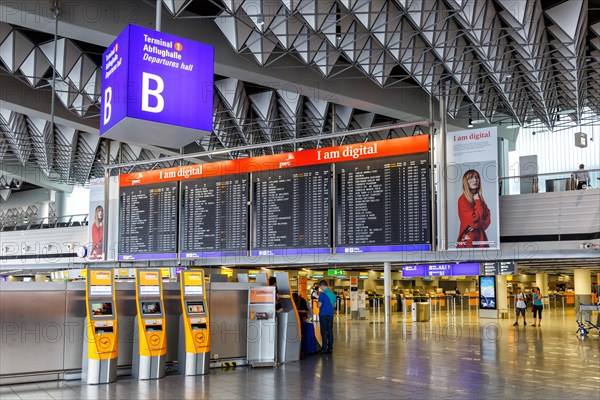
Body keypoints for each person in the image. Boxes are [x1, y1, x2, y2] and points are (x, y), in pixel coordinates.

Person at [456, 170, 491, 248]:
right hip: (468, 240)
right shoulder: (463, 200)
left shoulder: (479, 199)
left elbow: (488, 219)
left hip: (481, 239)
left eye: (476, 177)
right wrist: (478, 202)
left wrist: (477, 224)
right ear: (466, 182)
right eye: (471, 178)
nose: (475, 180)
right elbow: (474, 222)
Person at [317, 280, 335, 354]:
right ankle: (330, 348)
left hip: (323, 314)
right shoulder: (333, 294)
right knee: (330, 331)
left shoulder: (322, 294)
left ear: (322, 286)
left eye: (320, 287)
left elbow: (319, 305)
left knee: (324, 332)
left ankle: (324, 348)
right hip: (330, 314)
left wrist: (317, 304)